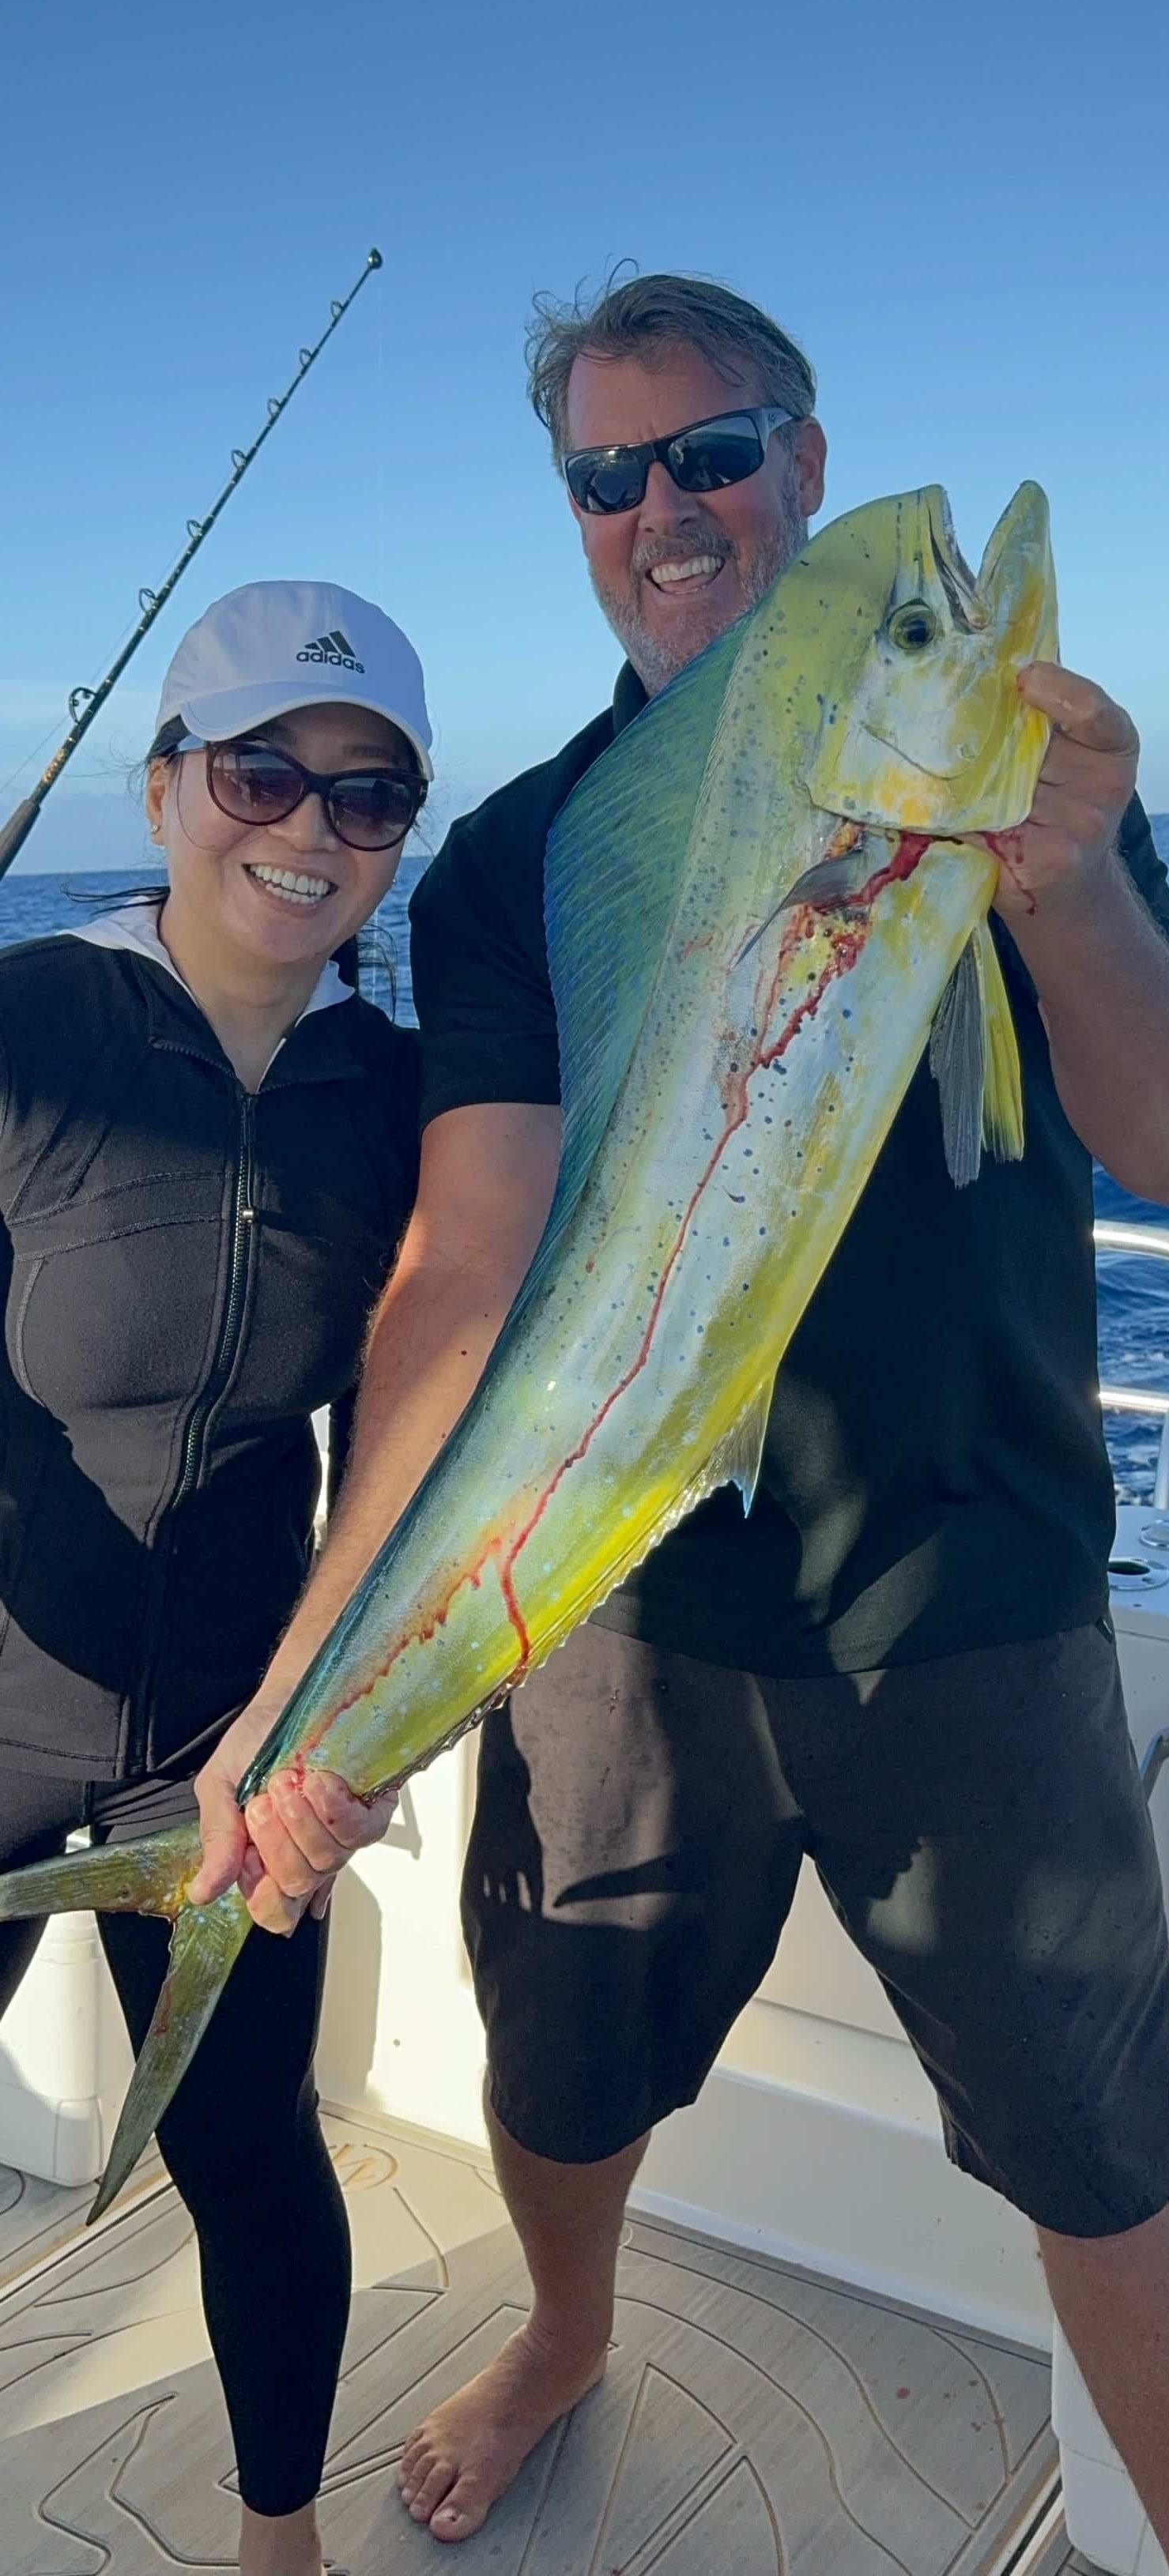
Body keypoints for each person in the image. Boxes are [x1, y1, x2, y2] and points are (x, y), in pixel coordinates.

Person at [194, 281, 1169, 2576]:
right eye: (611, 474)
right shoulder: (515, 859)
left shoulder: (1018, 773)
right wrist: (318, 1672)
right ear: (574, 516)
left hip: (968, 1591)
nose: (665, 509)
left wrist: (1057, 884)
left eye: (713, 452)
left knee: (1102, 2144)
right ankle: (564, 2336)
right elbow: (467, 1272)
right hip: (616, 1606)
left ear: (798, 454)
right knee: (559, 2072)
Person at [0, 579, 432, 2576]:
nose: (310, 827)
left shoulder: (405, 1107)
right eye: (264, 770)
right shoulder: (28, 1022)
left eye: (370, 796)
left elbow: (418, 1469)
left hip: (231, 1750)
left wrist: (356, 1728)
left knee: (249, 2157)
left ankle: (284, 2546)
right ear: (166, 784)